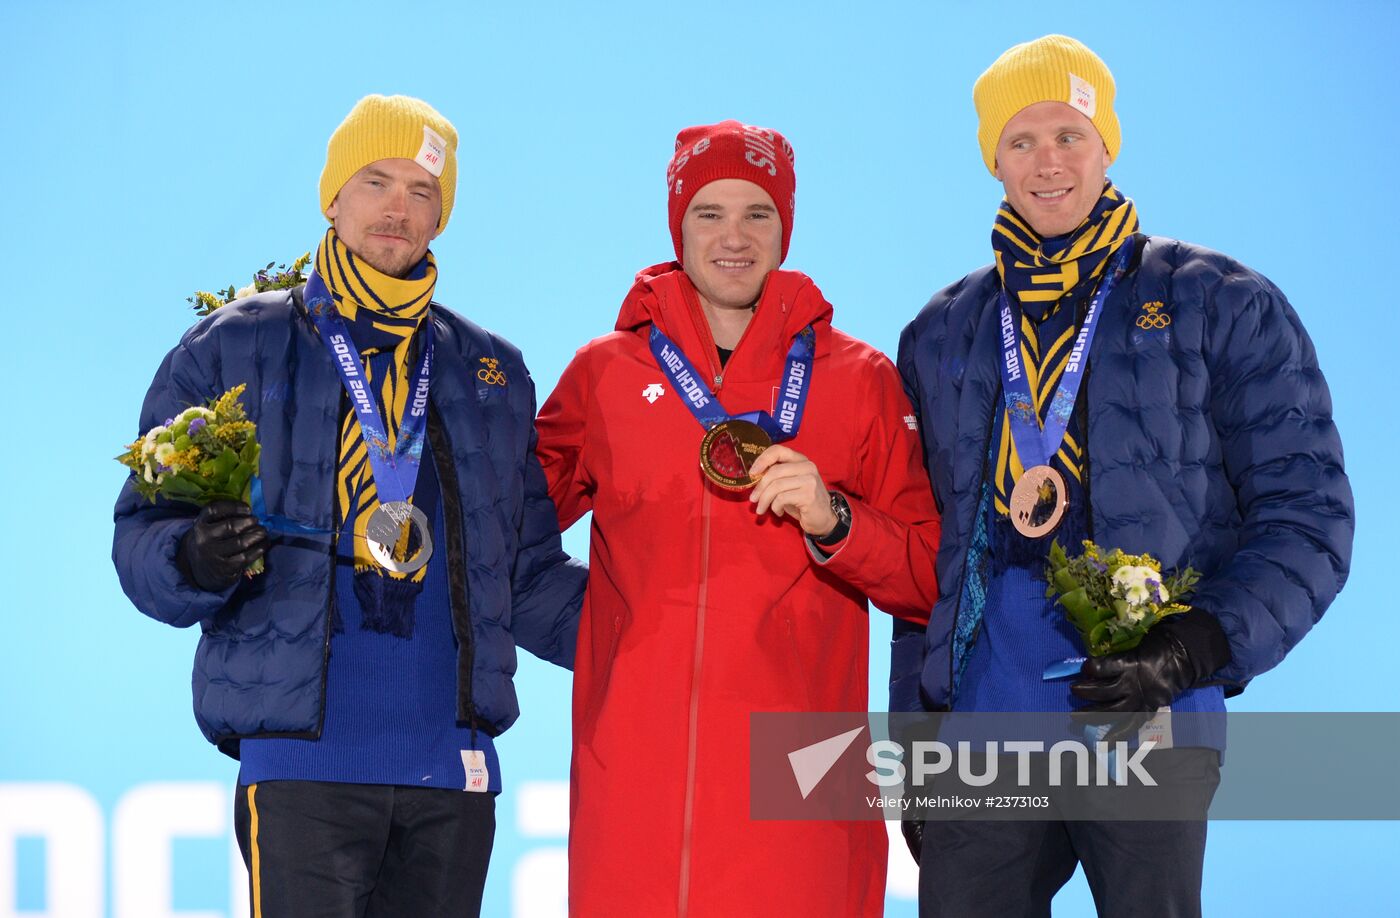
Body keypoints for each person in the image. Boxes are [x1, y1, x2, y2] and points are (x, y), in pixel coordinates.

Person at [892, 35, 1354, 917]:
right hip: (988, 709)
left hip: (1150, 702)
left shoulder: (1219, 300)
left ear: (1108, 143)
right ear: (994, 160)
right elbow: (925, 561)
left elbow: (1310, 517)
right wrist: (917, 739)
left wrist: (1195, 648)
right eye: (1020, 141)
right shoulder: (943, 332)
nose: (1048, 162)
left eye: (1069, 133)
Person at [112, 94, 586, 917]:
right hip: (303, 764)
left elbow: (530, 575)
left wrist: (664, 633)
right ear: (332, 196)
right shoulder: (235, 344)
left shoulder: (491, 372)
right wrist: (192, 558)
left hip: (451, 767)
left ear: (443, 216)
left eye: (422, 191)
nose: (398, 208)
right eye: (375, 181)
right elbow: (141, 536)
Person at [535, 120, 941, 916]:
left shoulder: (859, 379)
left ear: (785, 228)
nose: (733, 236)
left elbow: (930, 577)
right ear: (677, 225)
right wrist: (599, 638)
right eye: (708, 212)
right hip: (635, 780)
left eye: (757, 212)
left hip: (800, 782)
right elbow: (498, 535)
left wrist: (835, 521)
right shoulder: (603, 375)